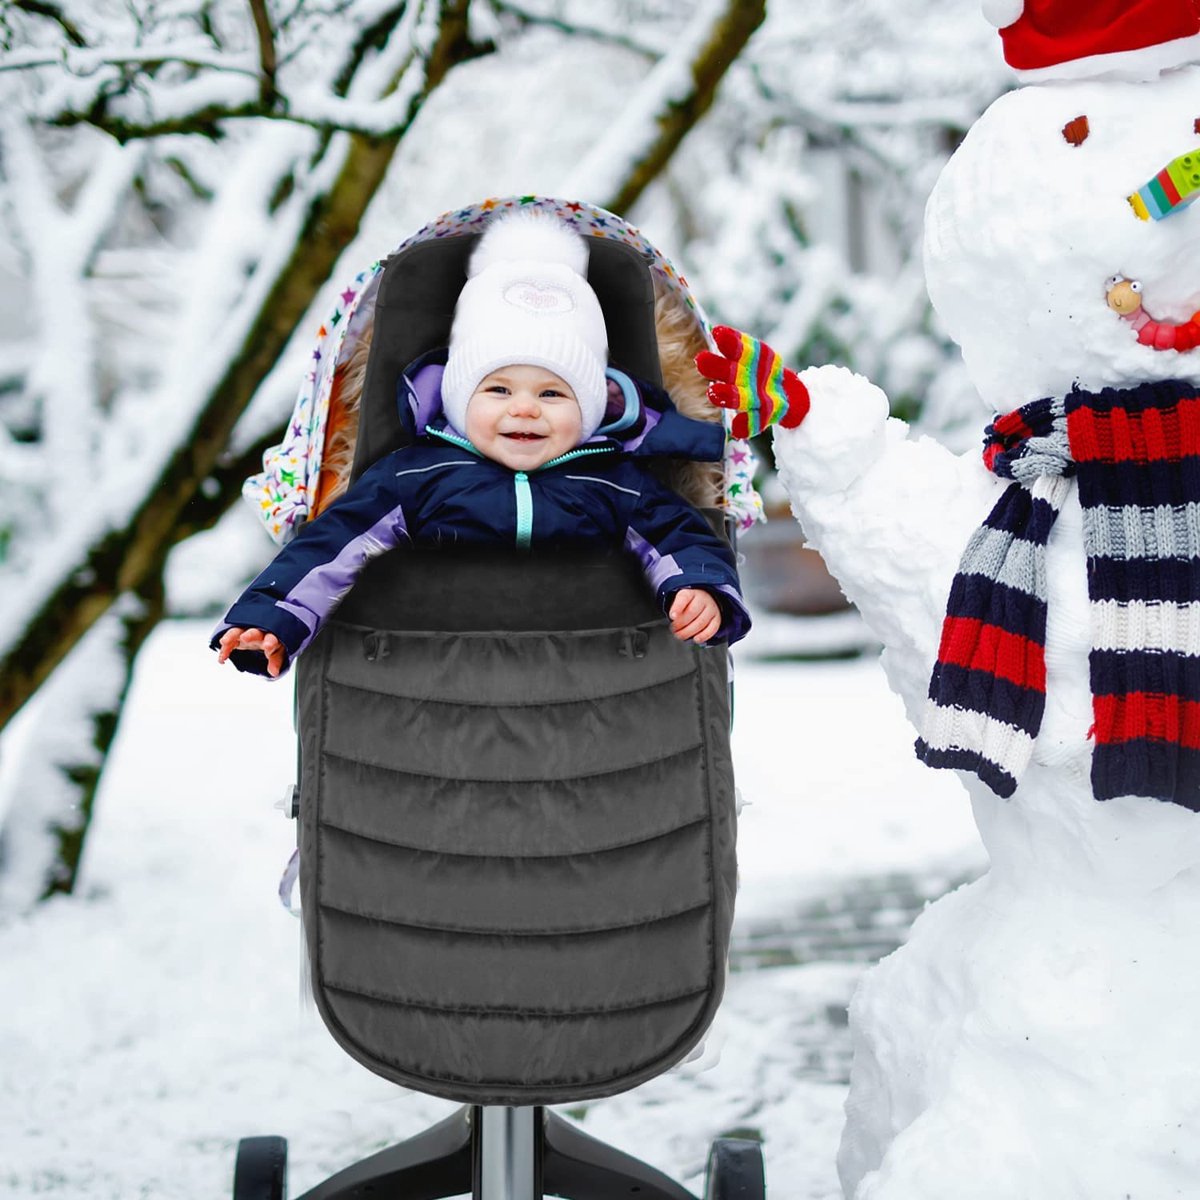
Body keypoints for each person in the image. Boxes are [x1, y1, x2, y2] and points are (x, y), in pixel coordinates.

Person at [212, 210, 749, 678]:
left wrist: (700, 587)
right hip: (439, 669)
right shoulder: (413, 476)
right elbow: (331, 543)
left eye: (552, 393)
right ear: (457, 399)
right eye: (497, 389)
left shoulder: (614, 481)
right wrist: (271, 617)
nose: (524, 408)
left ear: (590, 410)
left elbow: (679, 534)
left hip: (585, 668)